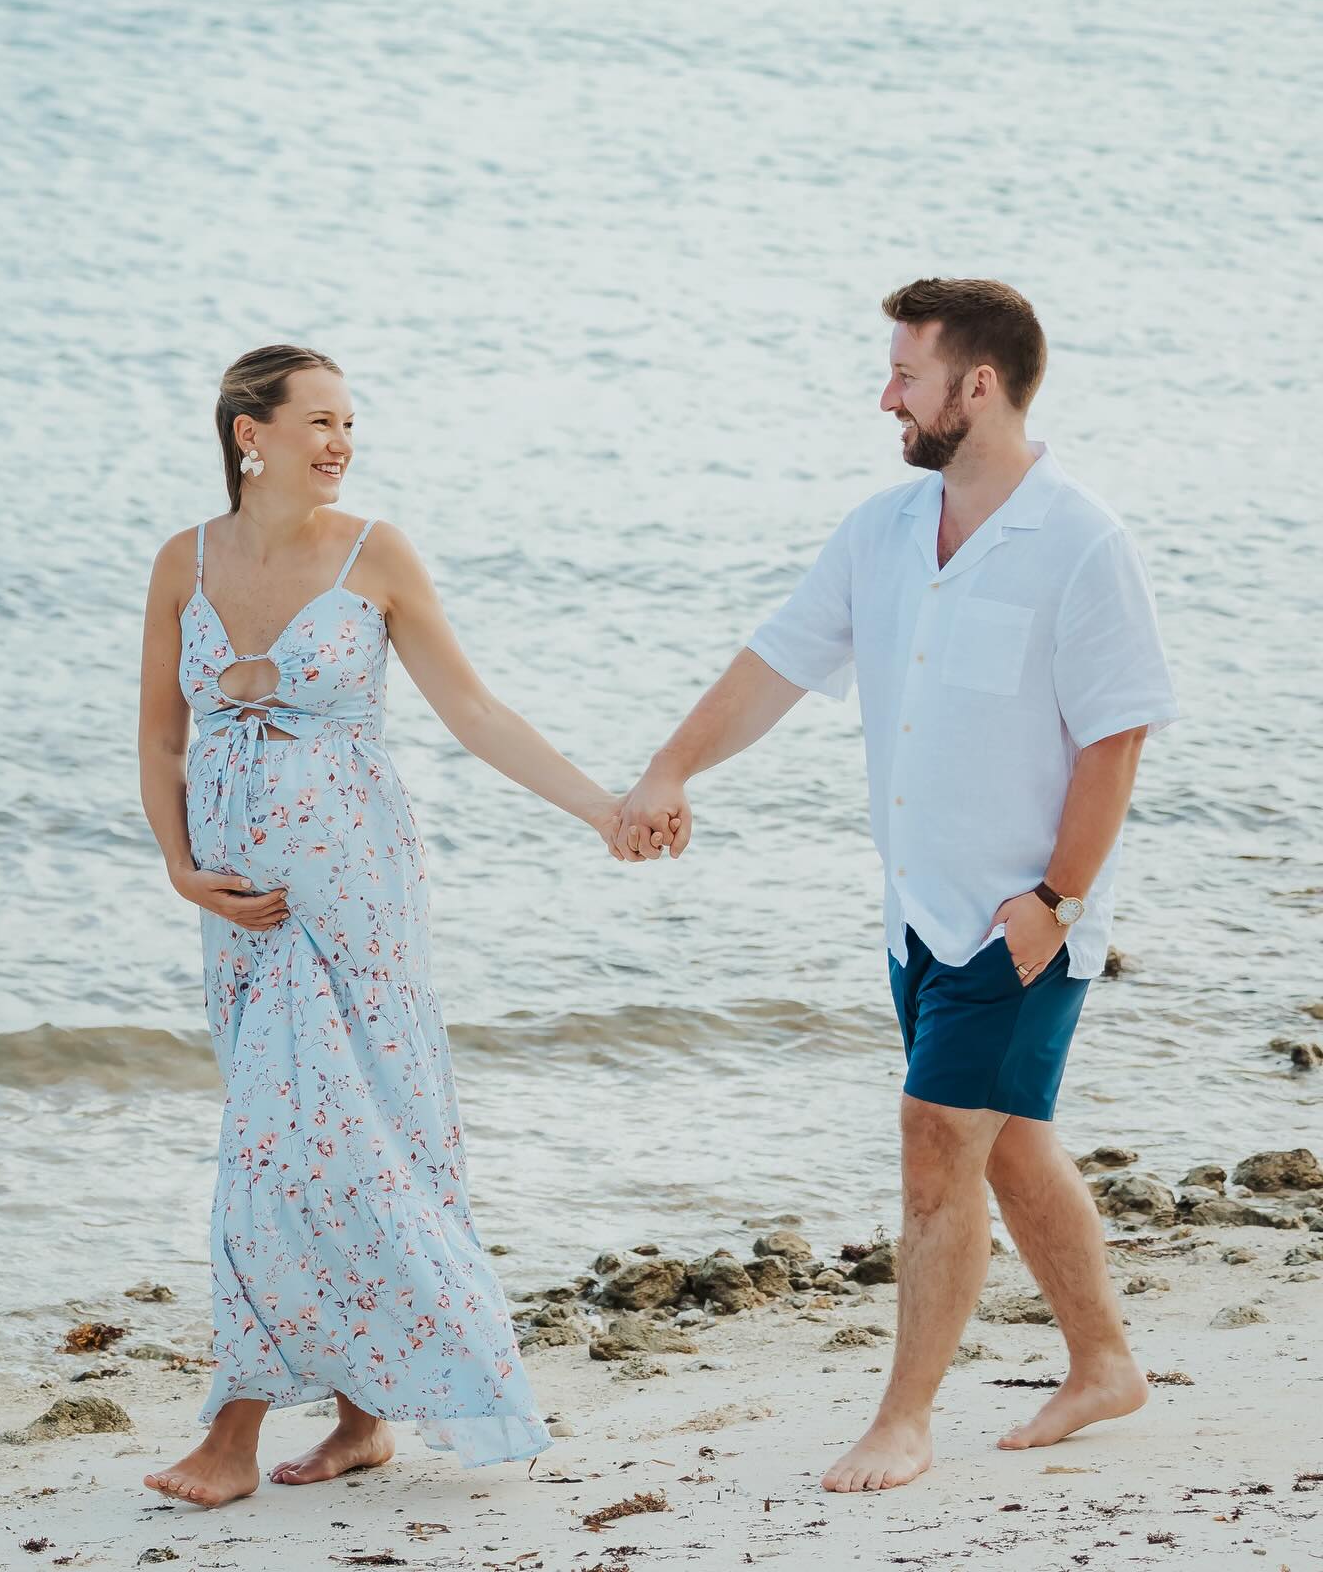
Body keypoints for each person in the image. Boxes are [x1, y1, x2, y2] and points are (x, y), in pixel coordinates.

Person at [612, 278, 1178, 1494]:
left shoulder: (1081, 540)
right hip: (918, 909)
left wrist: (1059, 903)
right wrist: (670, 765)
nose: (888, 397)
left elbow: (1116, 738)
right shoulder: (881, 529)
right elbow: (776, 664)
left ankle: (905, 1419)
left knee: (935, 1147)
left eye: (906, 376)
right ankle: (1103, 1363)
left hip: (1022, 921)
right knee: (1008, 1141)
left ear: (978, 387)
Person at [136, 344, 642, 1507]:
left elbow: (472, 710)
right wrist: (178, 868)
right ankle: (357, 1420)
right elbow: (162, 739)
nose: (341, 443)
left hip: (356, 898)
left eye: (350, 424)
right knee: (296, 1143)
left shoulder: (377, 555)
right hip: (240, 913)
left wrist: (602, 809)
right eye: (318, 420)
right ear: (246, 432)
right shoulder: (182, 562)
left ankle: (245, 1429)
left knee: (343, 1139)